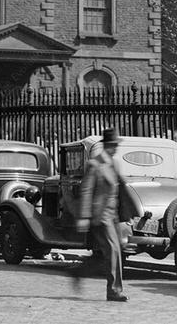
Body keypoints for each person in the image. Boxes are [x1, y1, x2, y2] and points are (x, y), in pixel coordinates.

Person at [75, 127, 127, 302]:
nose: (115, 148)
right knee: (112, 250)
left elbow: (121, 186)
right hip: (101, 215)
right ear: (106, 145)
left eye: (116, 144)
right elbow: (87, 190)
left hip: (114, 214)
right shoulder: (95, 164)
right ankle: (114, 291)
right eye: (112, 145)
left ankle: (80, 271)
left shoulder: (115, 163)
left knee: (115, 250)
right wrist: (84, 216)